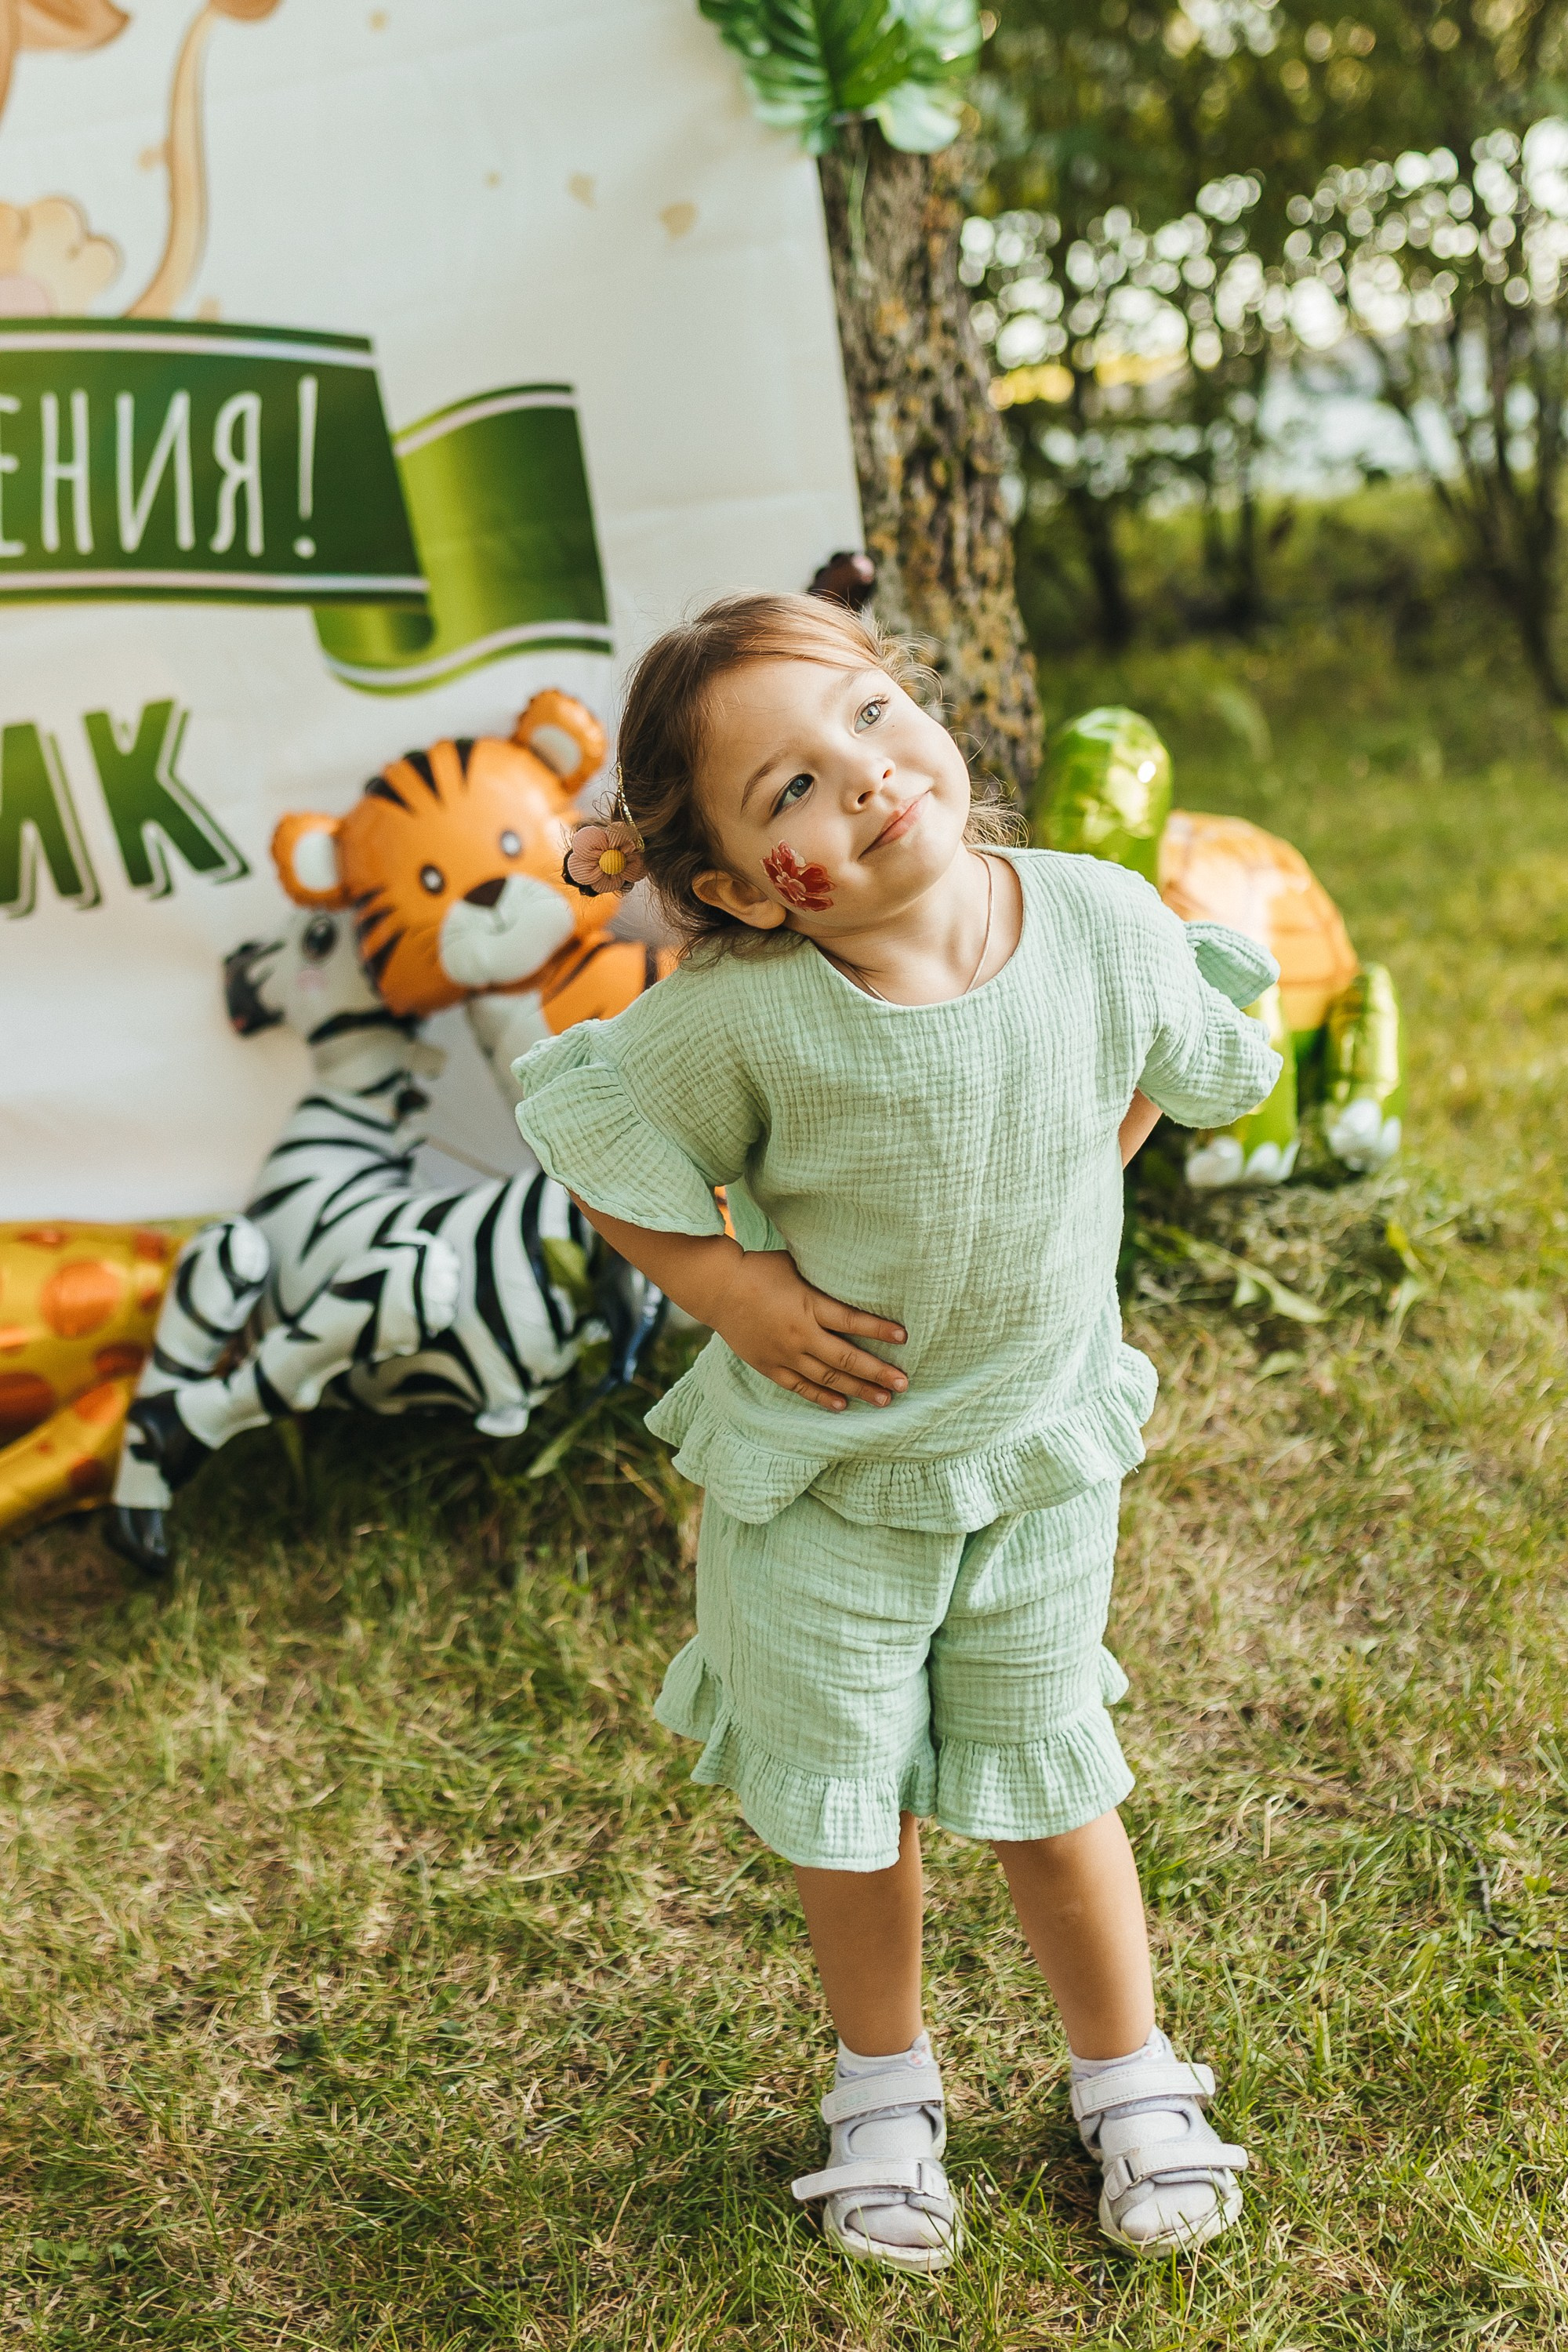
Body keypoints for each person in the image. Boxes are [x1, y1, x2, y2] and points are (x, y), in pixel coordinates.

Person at [514, 593, 1280, 2274]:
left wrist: (1093, 1162)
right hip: (830, 1485)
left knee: (1046, 1768)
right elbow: (594, 1126)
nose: (856, 781)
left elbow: (1142, 1066)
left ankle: (1127, 2072)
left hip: (1029, 1463)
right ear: (724, 886)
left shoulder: (1091, 917)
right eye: (783, 791)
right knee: (849, 1799)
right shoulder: (750, 1010)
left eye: (866, 717)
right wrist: (733, 1292)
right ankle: (882, 2085)